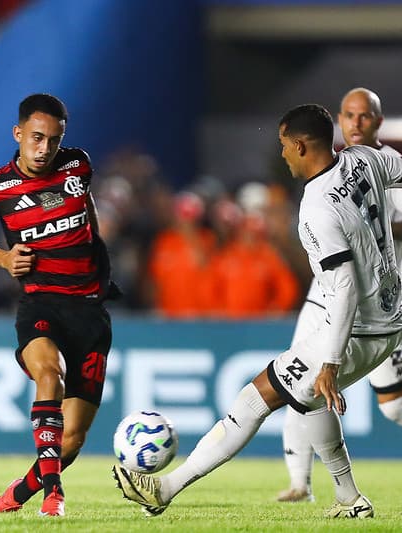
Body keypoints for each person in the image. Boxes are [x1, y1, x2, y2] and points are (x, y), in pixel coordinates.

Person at [113, 103, 402, 519]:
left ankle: (164, 488)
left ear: (302, 146)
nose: (282, 154)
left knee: (254, 399)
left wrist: (330, 361)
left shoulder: (316, 210)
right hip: (389, 318)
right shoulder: (364, 159)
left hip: (358, 328)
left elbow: (343, 289)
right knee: (309, 402)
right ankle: (349, 498)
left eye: (285, 145)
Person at [0, 93, 117, 517]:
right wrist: (3, 257)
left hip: (89, 312)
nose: (44, 148)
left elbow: (86, 213)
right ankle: (54, 495)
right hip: (40, 304)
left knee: (72, 440)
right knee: (50, 375)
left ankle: (15, 496)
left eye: (53, 139)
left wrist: (99, 263)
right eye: (36, 137)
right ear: (18, 134)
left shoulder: (78, 166)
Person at [277, 88, 402, 503]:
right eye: (349, 115)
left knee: (393, 406)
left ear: (379, 122)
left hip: (379, 300)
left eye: (365, 116)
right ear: (338, 120)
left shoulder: (380, 164)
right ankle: (299, 483)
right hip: (329, 289)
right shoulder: (333, 171)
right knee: (296, 370)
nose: (356, 123)